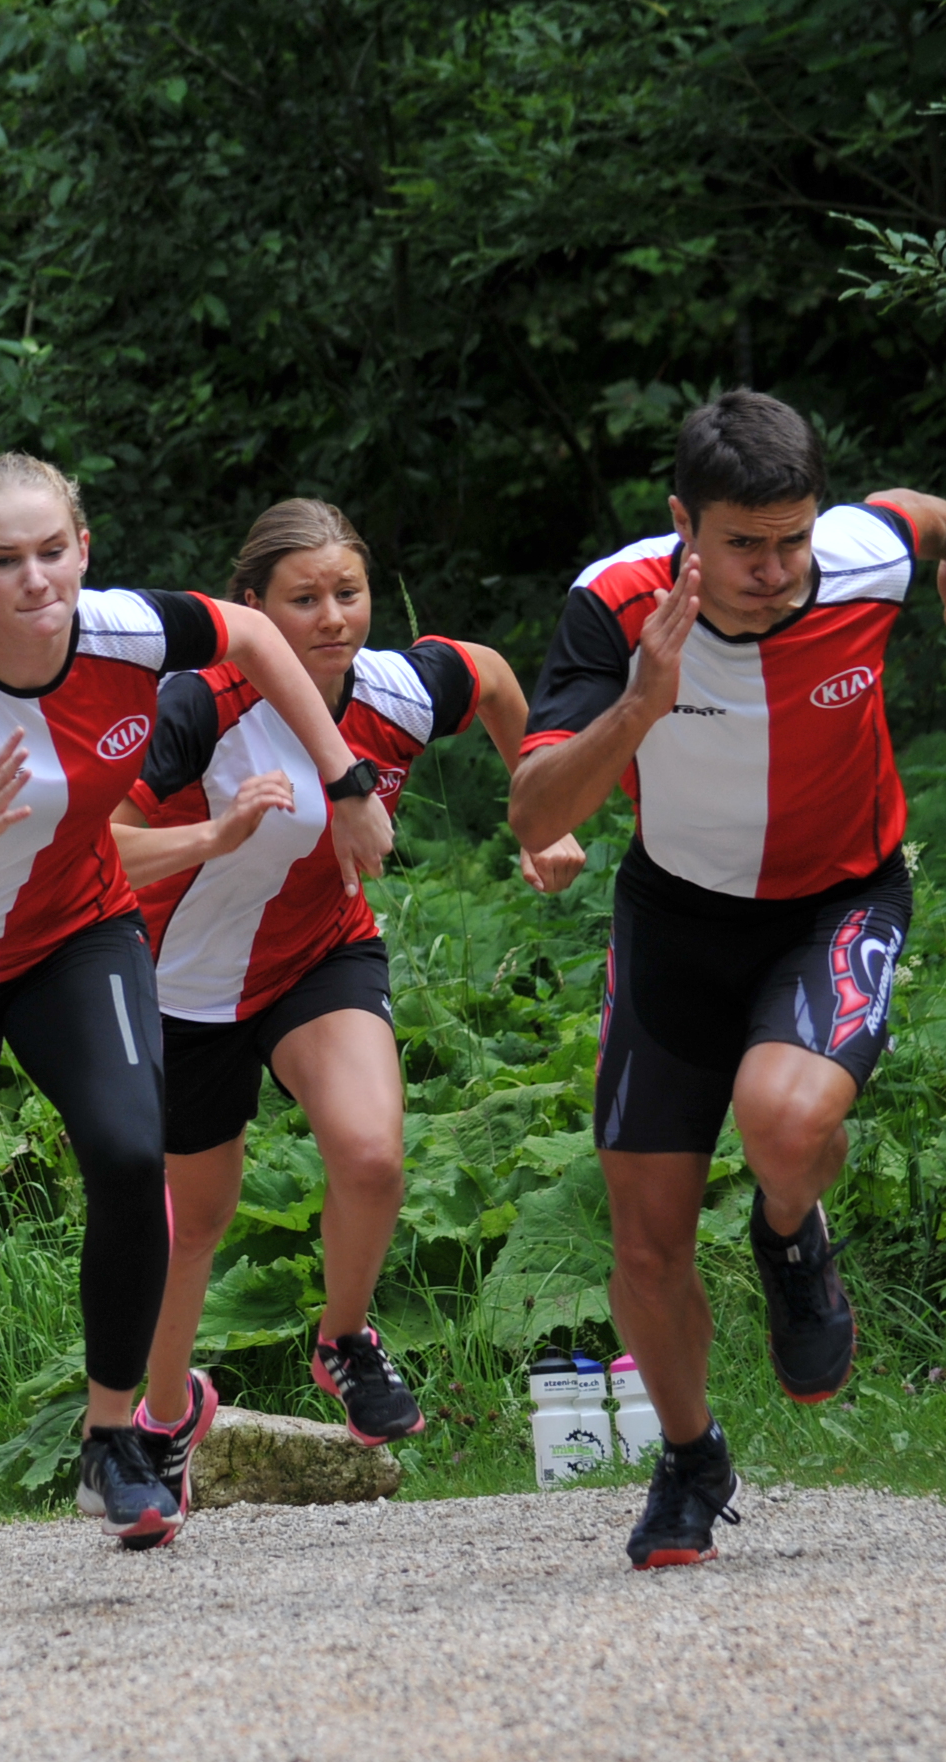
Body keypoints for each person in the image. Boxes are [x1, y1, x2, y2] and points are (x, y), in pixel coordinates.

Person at [0, 452, 395, 1597]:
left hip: (74, 933)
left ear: (84, 548)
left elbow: (253, 634)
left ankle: (113, 1438)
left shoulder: (131, 634)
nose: (36, 579)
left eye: (54, 551)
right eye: (5, 561)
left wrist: (344, 779)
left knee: (133, 1151)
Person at [506, 388, 946, 1572]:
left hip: (837, 901)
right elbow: (534, 811)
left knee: (784, 1121)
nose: (775, 572)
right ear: (684, 523)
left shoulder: (865, 558)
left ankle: (789, 1233)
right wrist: (640, 703)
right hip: (677, 921)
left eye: (792, 540)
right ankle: (692, 1457)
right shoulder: (615, 603)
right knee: (645, 1244)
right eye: (743, 545)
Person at [111, 498, 583, 1506]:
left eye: (349, 592)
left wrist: (536, 813)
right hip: (182, 985)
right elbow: (98, 847)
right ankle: (163, 1419)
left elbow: (495, 678)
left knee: (372, 1156)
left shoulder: (397, 694)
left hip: (319, 957)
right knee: (197, 1222)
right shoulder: (196, 707)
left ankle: (345, 1340)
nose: (333, 617)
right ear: (249, 606)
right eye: (304, 599)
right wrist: (213, 838)